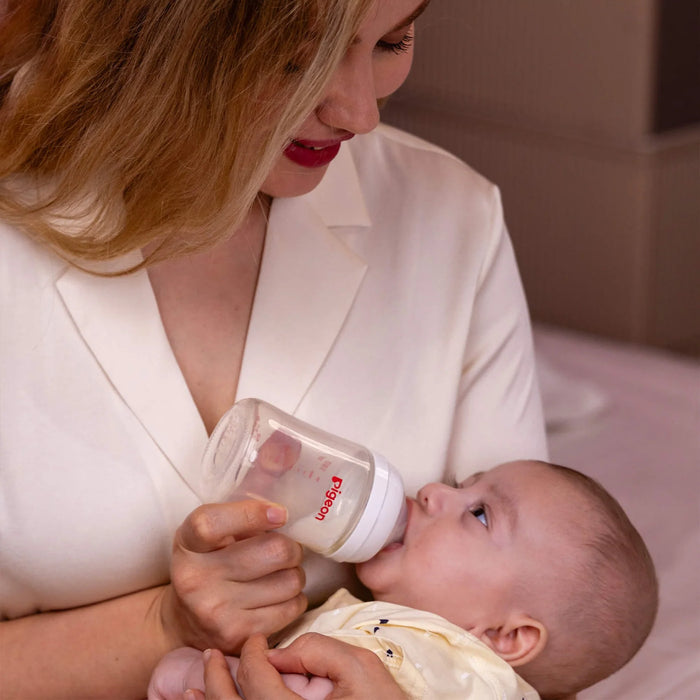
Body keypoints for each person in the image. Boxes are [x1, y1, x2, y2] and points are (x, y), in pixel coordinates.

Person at [0, 0, 548, 697]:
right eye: (296, 58)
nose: (359, 113)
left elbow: (539, 629)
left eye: (391, 41)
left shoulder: (449, 216)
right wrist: (164, 628)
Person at [149, 460, 659, 700]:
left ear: (506, 636)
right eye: (463, 485)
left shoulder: (446, 666)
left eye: (479, 514)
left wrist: (195, 671)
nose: (435, 489)